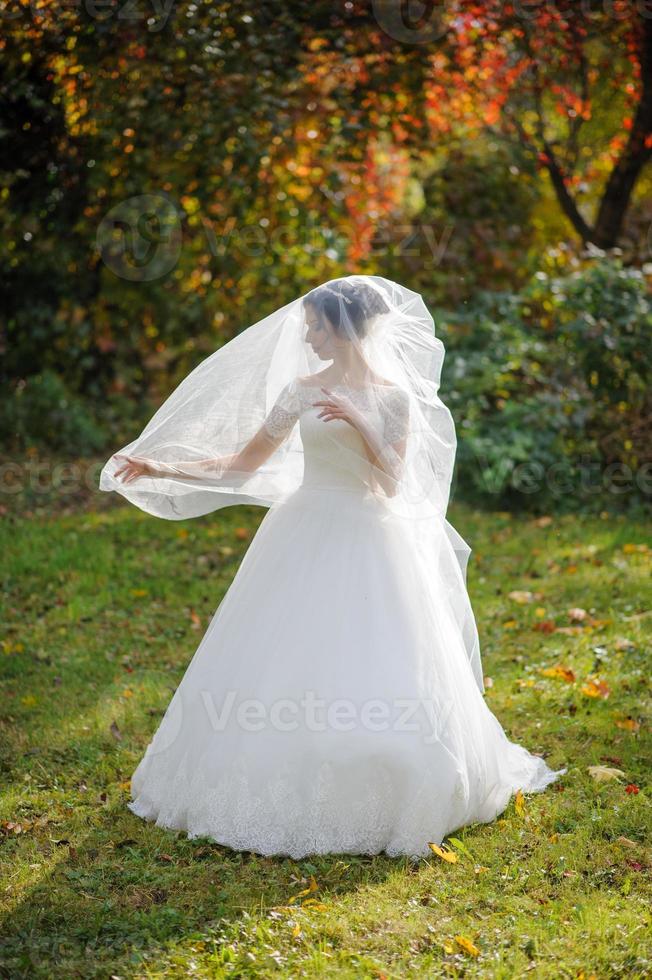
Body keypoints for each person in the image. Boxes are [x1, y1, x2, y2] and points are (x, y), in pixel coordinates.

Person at [99, 275, 566, 858]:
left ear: (342, 328)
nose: (307, 336)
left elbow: (393, 481)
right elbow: (243, 464)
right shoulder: (299, 390)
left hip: (371, 535)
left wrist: (358, 417)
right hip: (303, 528)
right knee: (281, 655)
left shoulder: (393, 397)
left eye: (316, 326)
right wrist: (164, 467)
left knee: (377, 656)